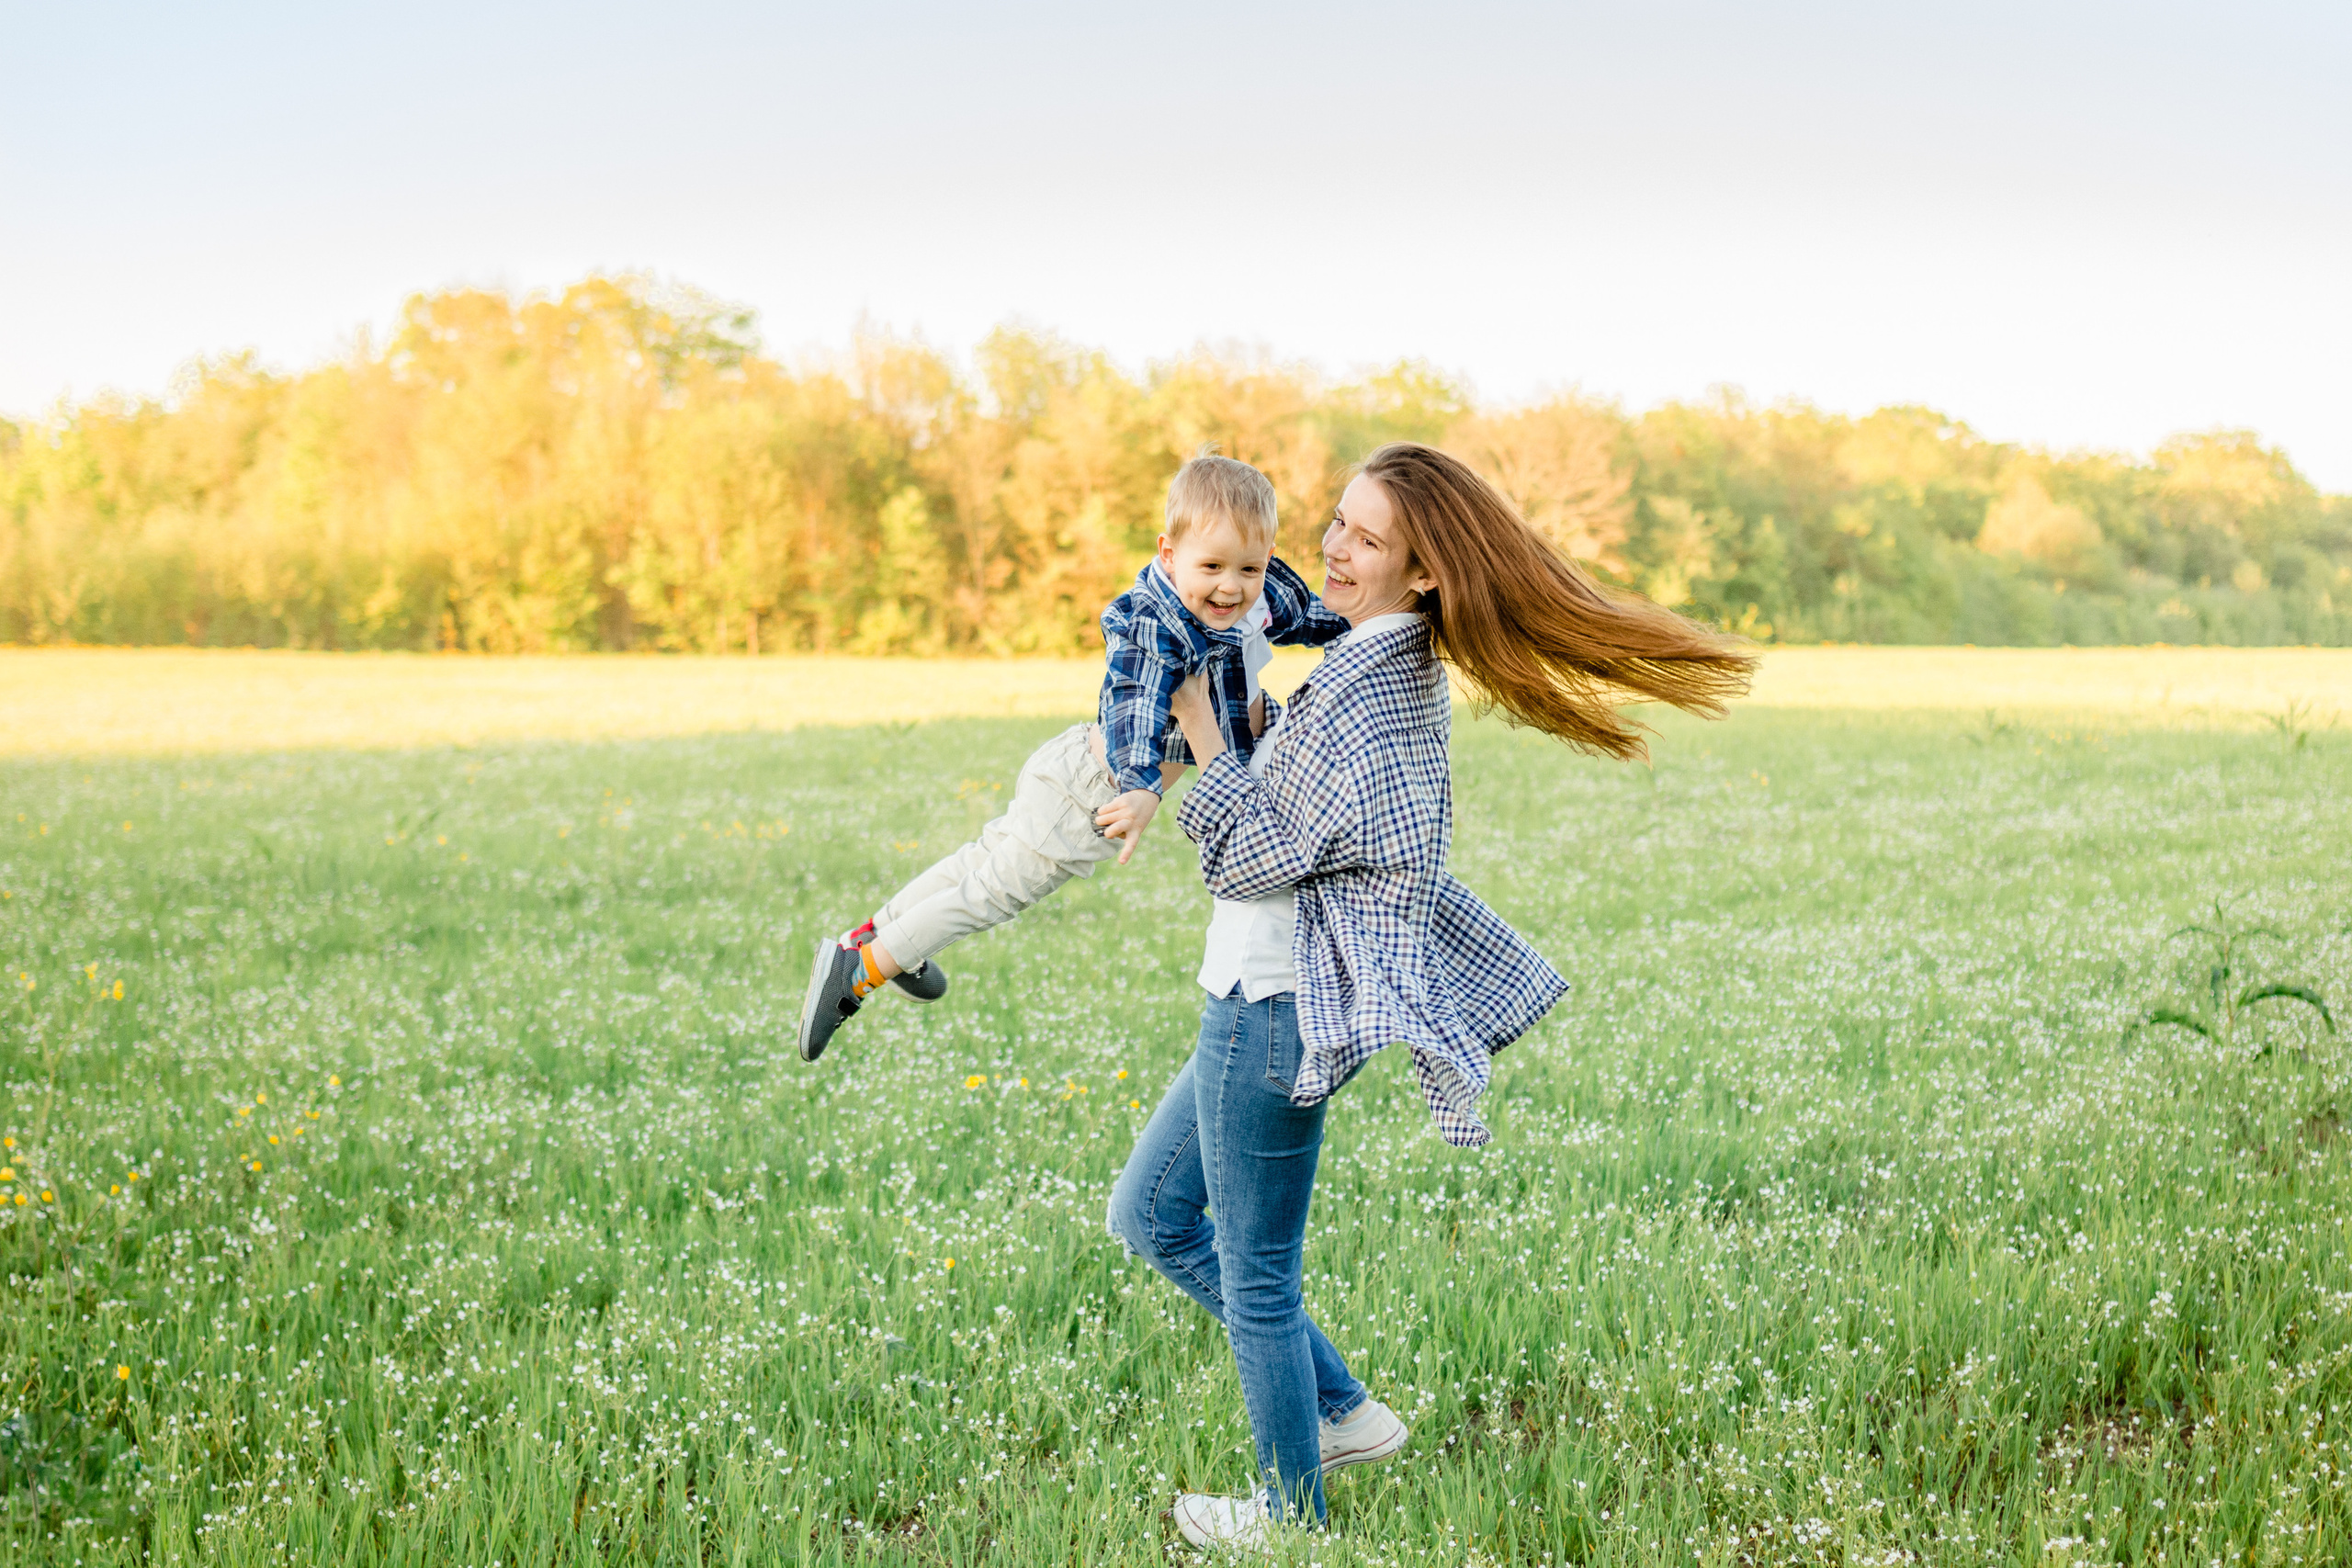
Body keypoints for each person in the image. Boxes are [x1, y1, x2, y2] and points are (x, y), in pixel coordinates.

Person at [1106, 442, 1758, 1551]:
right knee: (1150, 1215)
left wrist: (1205, 730)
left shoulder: (1373, 690)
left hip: (1276, 1004)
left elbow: (1255, 858)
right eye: (1338, 521)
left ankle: (1288, 1517)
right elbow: (1301, 812)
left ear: (1423, 573)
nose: (1332, 548)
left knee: (1255, 1279)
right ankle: (1345, 1413)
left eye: (1366, 539)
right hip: (1255, 991)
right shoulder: (1363, 659)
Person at [797, 453, 1349, 1063]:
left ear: (1267, 557)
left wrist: (1367, 626)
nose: (1231, 586)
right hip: (1091, 793)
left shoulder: (1255, 595)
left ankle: (875, 934)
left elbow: (1310, 615)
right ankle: (863, 970)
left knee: (983, 860)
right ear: (1169, 554)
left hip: (1072, 769)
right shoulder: (1156, 623)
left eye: (1250, 567)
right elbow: (1135, 703)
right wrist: (1142, 787)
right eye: (1212, 566)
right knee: (992, 891)